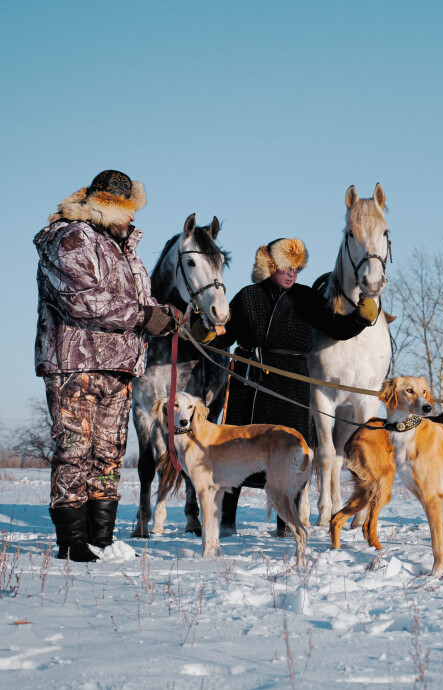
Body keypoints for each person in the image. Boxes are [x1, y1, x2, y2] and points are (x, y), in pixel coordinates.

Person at [35, 170, 177, 561]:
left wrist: (166, 318)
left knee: (109, 454)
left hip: (119, 365)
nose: (134, 217)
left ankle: (101, 537)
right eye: (129, 209)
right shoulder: (70, 237)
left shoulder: (124, 249)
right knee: (73, 450)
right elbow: (82, 299)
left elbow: (142, 305)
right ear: (107, 206)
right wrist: (144, 316)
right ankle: (72, 542)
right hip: (75, 363)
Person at [210, 238, 378, 536]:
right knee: (238, 447)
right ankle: (225, 521)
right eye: (286, 267)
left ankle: (286, 524)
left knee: (291, 452)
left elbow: (336, 328)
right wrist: (204, 331)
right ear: (270, 265)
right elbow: (225, 337)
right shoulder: (247, 296)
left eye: (297, 268)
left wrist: (360, 318)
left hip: (291, 380)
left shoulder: (306, 298)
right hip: (249, 379)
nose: (292, 274)